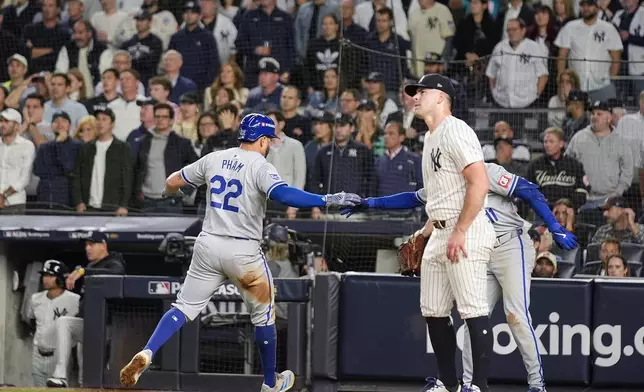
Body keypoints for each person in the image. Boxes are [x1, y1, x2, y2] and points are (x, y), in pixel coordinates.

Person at [119, 113, 361, 392]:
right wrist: (328, 199)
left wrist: (167, 193)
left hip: (208, 244)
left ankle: (148, 351)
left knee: (183, 308)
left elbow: (174, 180)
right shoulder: (260, 164)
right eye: (269, 139)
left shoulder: (214, 157)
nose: (270, 144)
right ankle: (271, 383)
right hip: (242, 251)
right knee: (263, 317)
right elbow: (286, 196)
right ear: (260, 139)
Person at [343, 161, 578, 391]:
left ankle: (537, 385)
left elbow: (529, 190)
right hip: (479, 253)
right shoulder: (444, 182)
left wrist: (554, 226)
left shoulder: (486, 170)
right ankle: (469, 385)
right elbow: (411, 198)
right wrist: (370, 203)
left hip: (511, 246)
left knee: (516, 315)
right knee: (473, 318)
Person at [343, 73, 496, 392]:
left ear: (441, 97)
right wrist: (424, 232)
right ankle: (450, 384)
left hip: (465, 229)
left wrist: (461, 230)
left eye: (422, 92)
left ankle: (478, 386)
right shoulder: (430, 138)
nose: (415, 97)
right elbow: (440, 193)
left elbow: (479, 183)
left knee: (472, 310)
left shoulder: (456, 130)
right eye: (414, 93)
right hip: (441, 229)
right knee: (434, 311)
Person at [28, 260, 80, 387]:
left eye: (51, 276)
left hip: (59, 357)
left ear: (61, 278)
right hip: (38, 354)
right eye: (45, 275)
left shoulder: (74, 300)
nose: (46, 279)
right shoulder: (36, 298)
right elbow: (31, 320)